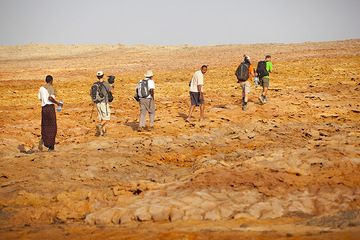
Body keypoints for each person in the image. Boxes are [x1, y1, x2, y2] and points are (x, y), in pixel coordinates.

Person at [38, 75, 63, 151]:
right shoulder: (51, 88)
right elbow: (50, 98)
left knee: (45, 125)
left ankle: (43, 139)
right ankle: (51, 147)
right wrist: (58, 103)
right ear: (51, 81)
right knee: (53, 127)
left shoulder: (41, 88)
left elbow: (40, 98)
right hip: (50, 108)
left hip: (44, 108)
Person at [92, 71, 112, 136]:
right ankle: (99, 125)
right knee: (107, 118)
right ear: (103, 76)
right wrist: (111, 83)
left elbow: (91, 94)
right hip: (104, 103)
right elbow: (111, 90)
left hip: (97, 103)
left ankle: (102, 132)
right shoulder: (105, 83)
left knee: (102, 118)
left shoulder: (94, 84)